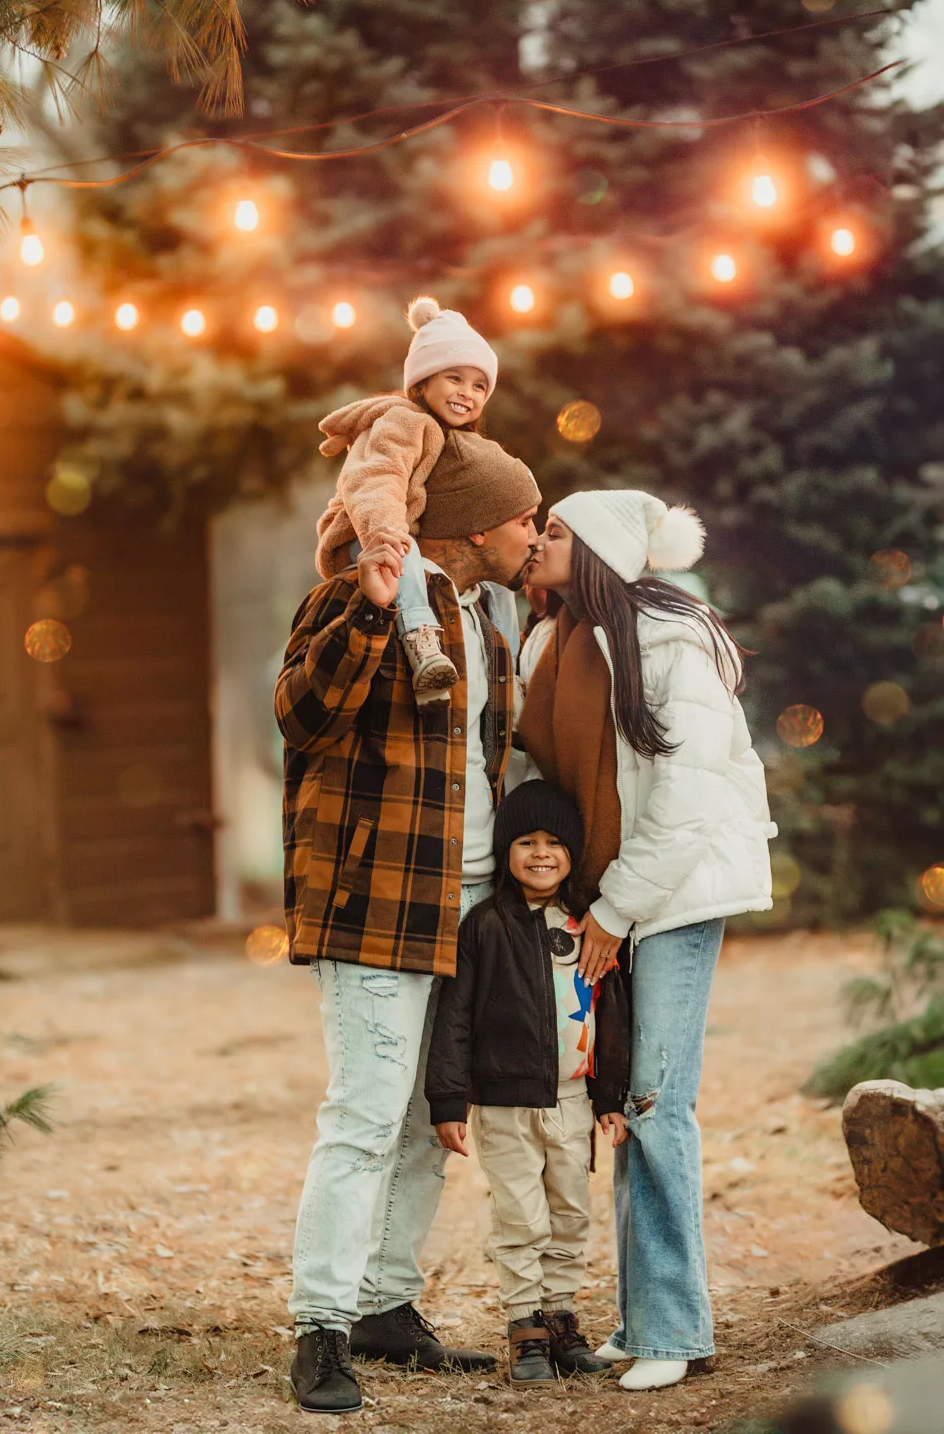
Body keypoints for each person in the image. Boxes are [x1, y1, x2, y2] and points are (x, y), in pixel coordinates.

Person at [275, 431, 541, 1415]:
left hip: (469, 909)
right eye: (524, 516)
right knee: (363, 1118)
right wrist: (376, 613)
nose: (534, 531)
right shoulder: (361, 595)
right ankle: (321, 1328)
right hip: (378, 905)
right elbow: (298, 712)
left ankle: (386, 1305)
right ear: (474, 524)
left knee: (435, 1118)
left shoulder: (486, 620)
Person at [520, 489, 775, 1392]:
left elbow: (688, 800)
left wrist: (615, 909)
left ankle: (673, 1327)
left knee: (659, 1098)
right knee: (624, 1101)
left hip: (671, 892)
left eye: (555, 532)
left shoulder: (670, 642)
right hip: (609, 899)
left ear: (595, 551)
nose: (538, 540)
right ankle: (646, 1316)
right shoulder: (553, 642)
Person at [426, 780, 630, 1386]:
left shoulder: (590, 923)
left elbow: (612, 1015)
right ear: (505, 850)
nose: (540, 853)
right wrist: (448, 1097)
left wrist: (610, 1098)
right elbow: (456, 1013)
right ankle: (526, 1331)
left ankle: (563, 1323)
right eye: (525, 841)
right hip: (504, 1103)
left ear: (572, 850)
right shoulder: (485, 925)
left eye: (553, 842)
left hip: (571, 1101)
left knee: (569, 1214)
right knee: (521, 1218)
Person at [316, 295, 519, 707]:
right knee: (403, 549)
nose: (467, 393)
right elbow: (376, 480)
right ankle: (421, 641)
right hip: (366, 533)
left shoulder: (458, 440)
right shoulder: (402, 421)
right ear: (422, 383)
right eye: (454, 378)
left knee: (498, 584)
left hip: (405, 538)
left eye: (479, 385)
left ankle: (510, 680)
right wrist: (388, 532)